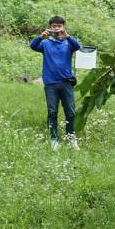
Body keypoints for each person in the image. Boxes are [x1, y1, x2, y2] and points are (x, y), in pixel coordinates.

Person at [30, 16, 82, 150]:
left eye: (59, 26)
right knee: (52, 112)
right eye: (54, 26)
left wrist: (67, 36)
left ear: (63, 27)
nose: (56, 28)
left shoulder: (68, 42)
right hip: (51, 84)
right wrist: (41, 36)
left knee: (70, 112)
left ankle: (71, 138)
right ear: (50, 27)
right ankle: (54, 139)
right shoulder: (45, 43)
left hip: (66, 82)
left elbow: (78, 46)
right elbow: (33, 46)